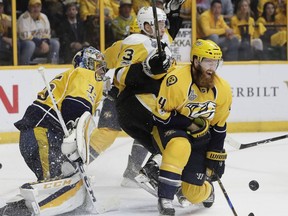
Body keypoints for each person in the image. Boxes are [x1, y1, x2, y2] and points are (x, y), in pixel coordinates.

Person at [0, 47, 107, 216]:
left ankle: (19, 207)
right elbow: (75, 105)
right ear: (87, 63)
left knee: (57, 176)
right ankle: (26, 208)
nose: (101, 70)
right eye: (98, 65)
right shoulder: (85, 74)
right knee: (52, 180)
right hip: (43, 133)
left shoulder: (70, 76)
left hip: (37, 134)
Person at [151, 39, 232, 215]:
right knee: (180, 145)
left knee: (193, 194)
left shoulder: (223, 89)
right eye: (207, 61)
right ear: (195, 61)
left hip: (200, 140)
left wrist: (215, 156)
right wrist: (190, 123)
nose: (212, 67)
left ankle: (208, 190)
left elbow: (219, 126)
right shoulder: (177, 81)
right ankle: (165, 198)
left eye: (215, 62)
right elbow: (161, 117)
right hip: (168, 131)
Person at [88, 18, 149, 188]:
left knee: (139, 134)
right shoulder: (151, 47)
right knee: (145, 133)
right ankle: (132, 172)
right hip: (134, 97)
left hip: (119, 95)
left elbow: (100, 65)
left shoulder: (120, 45)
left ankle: (76, 165)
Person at [17, 0, 60, 65]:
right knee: (30, 44)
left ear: (41, 7)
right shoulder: (24, 18)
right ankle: (24, 66)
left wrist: (45, 42)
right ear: (29, 7)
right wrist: (40, 43)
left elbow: (47, 33)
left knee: (55, 43)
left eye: (38, 7)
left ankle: (52, 65)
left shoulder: (44, 17)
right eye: (33, 7)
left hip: (41, 44)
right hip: (25, 44)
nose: (36, 9)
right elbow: (25, 36)